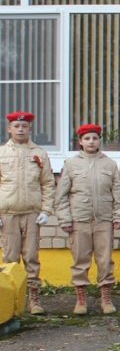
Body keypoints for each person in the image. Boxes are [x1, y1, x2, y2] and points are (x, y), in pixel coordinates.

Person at [55, 124, 120, 315]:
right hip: (79, 220)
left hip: (104, 220)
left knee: (105, 260)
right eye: (87, 138)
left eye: (94, 138)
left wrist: (119, 215)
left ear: (99, 140)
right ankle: (81, 300)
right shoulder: (71, 164)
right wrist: (65, 219)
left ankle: (106, 299)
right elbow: (61, 195)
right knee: (80, 259)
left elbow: (119, 193)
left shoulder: (109, 164)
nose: (91, 142)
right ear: (80, 142)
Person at [0, 111, 54, 315]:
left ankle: (34, 299)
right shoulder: (2, 153)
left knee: (31, 257)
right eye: (16, 126)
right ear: (9, 128)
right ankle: (11, 302)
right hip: (8, 214)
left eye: (24, 126)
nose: (20, 129)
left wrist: (47, 210)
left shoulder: (39, 153)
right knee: (10, 258)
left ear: (30, 129)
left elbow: (48, 183)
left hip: (32, 214)